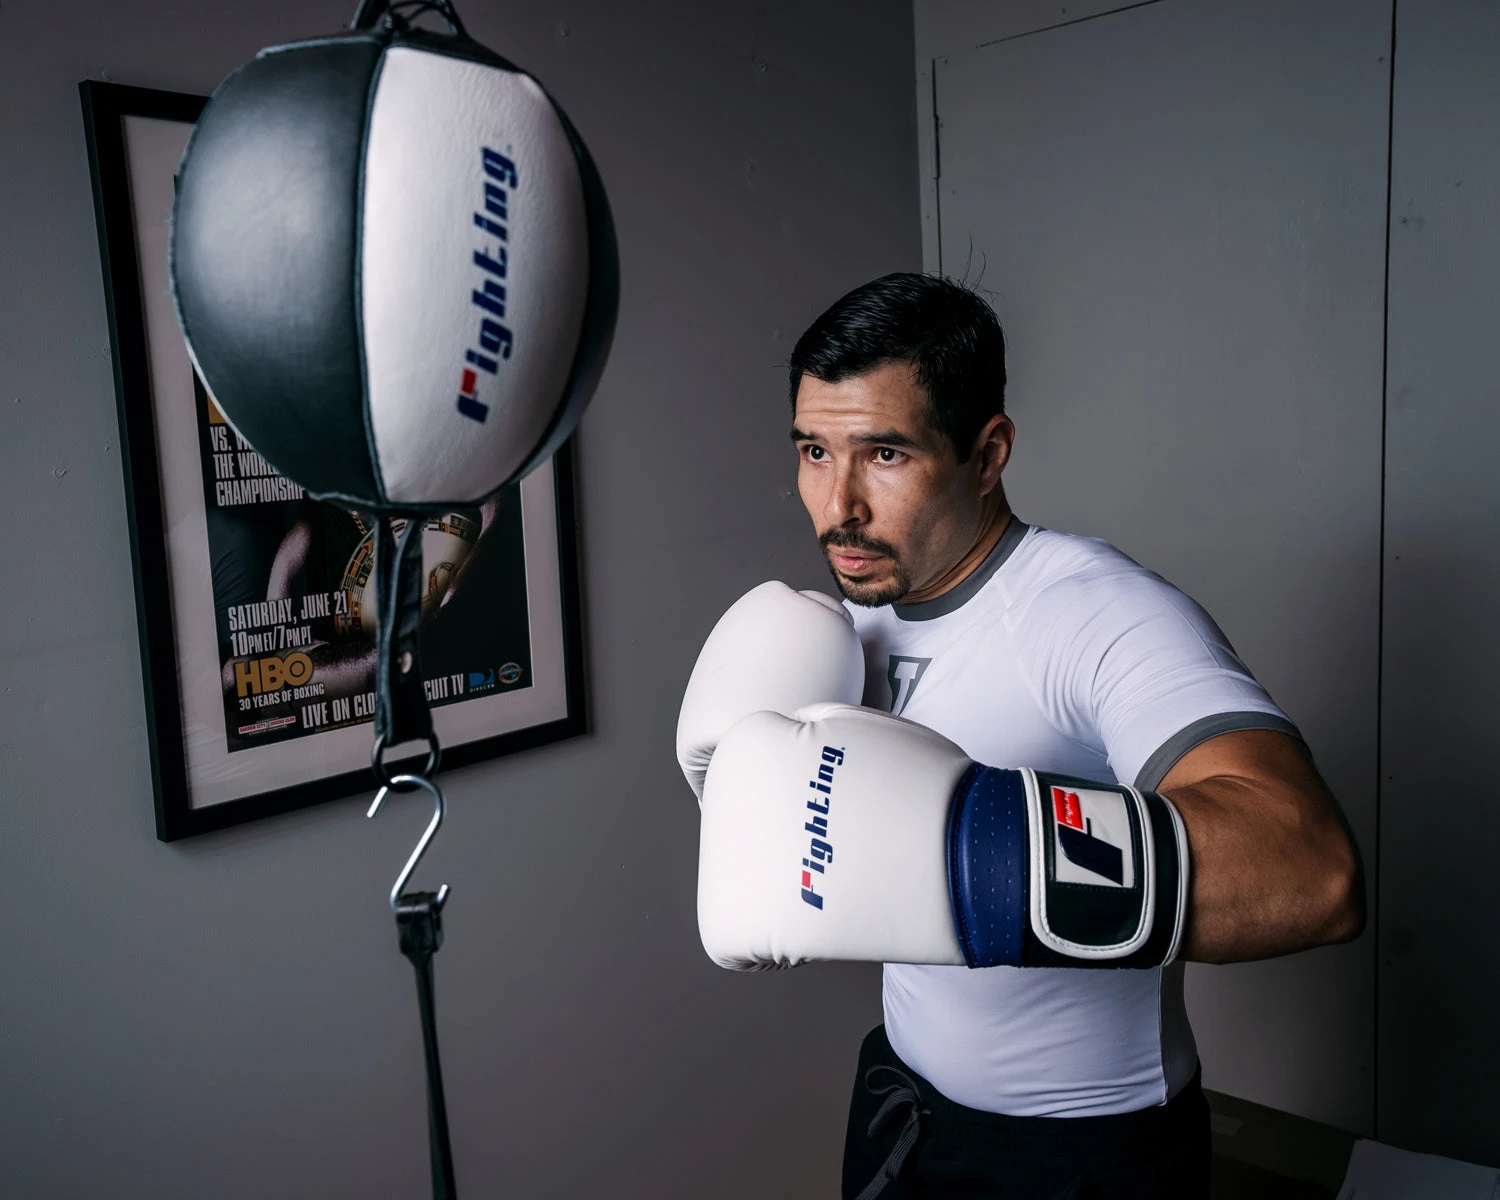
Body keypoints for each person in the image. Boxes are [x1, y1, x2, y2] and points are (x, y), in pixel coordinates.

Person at [676, 273, 1364, 1198]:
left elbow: (1311, 870)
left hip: (1081, 1156)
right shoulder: (842, 624)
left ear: (988, 453)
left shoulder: (1097, 615)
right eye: (813, 451)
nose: (839, 506)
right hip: (902, 1102)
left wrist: (967, 853)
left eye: (885, 454)